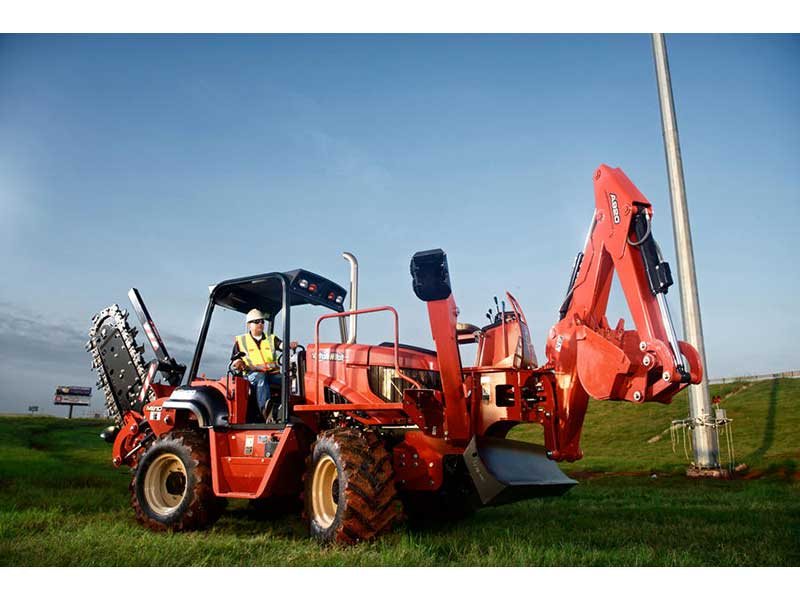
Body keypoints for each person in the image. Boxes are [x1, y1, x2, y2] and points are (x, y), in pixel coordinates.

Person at [231, 309, 283, 422]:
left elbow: (281, 345)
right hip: (251, 375)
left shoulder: (271, 338)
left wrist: (289, 345)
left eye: (262, 321)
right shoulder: (241, 341)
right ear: (249, 324)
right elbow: (236, 360)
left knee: (289, 380)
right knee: (261, 378)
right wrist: (239, 363)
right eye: (257, 321)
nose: (260, 324)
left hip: (272, 374)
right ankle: (267, 413)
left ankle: (286, 410)